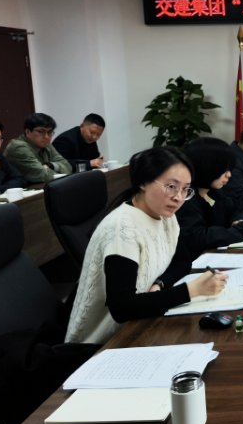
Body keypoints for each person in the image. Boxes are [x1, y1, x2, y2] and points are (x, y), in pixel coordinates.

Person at [65, 147, 228, 344]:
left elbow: (183, 261)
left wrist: (159, 284)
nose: (179, 197)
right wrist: (191, 290)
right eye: (171, 186)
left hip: (142, 323)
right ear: (143, 182)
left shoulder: (165, 216)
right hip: (104, 343)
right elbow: (122, 308)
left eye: (185, 189)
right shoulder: (122, 229)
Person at [177, 137, 243, 260]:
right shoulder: (186, 198)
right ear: (206, 167)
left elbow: (236, 207)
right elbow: (199, 238)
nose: (229, 175)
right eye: (223, 169)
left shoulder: (214, 191)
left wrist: (238, 220)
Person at [4, 113, 73, 183]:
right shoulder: (18, 147)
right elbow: (42, 175)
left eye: (50, 132)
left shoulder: (45, 144)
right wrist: (61, 173)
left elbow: (68, 167)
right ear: (28, 132)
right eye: (41, 132)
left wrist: (50, 165)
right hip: (18, 188)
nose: (46, 137)